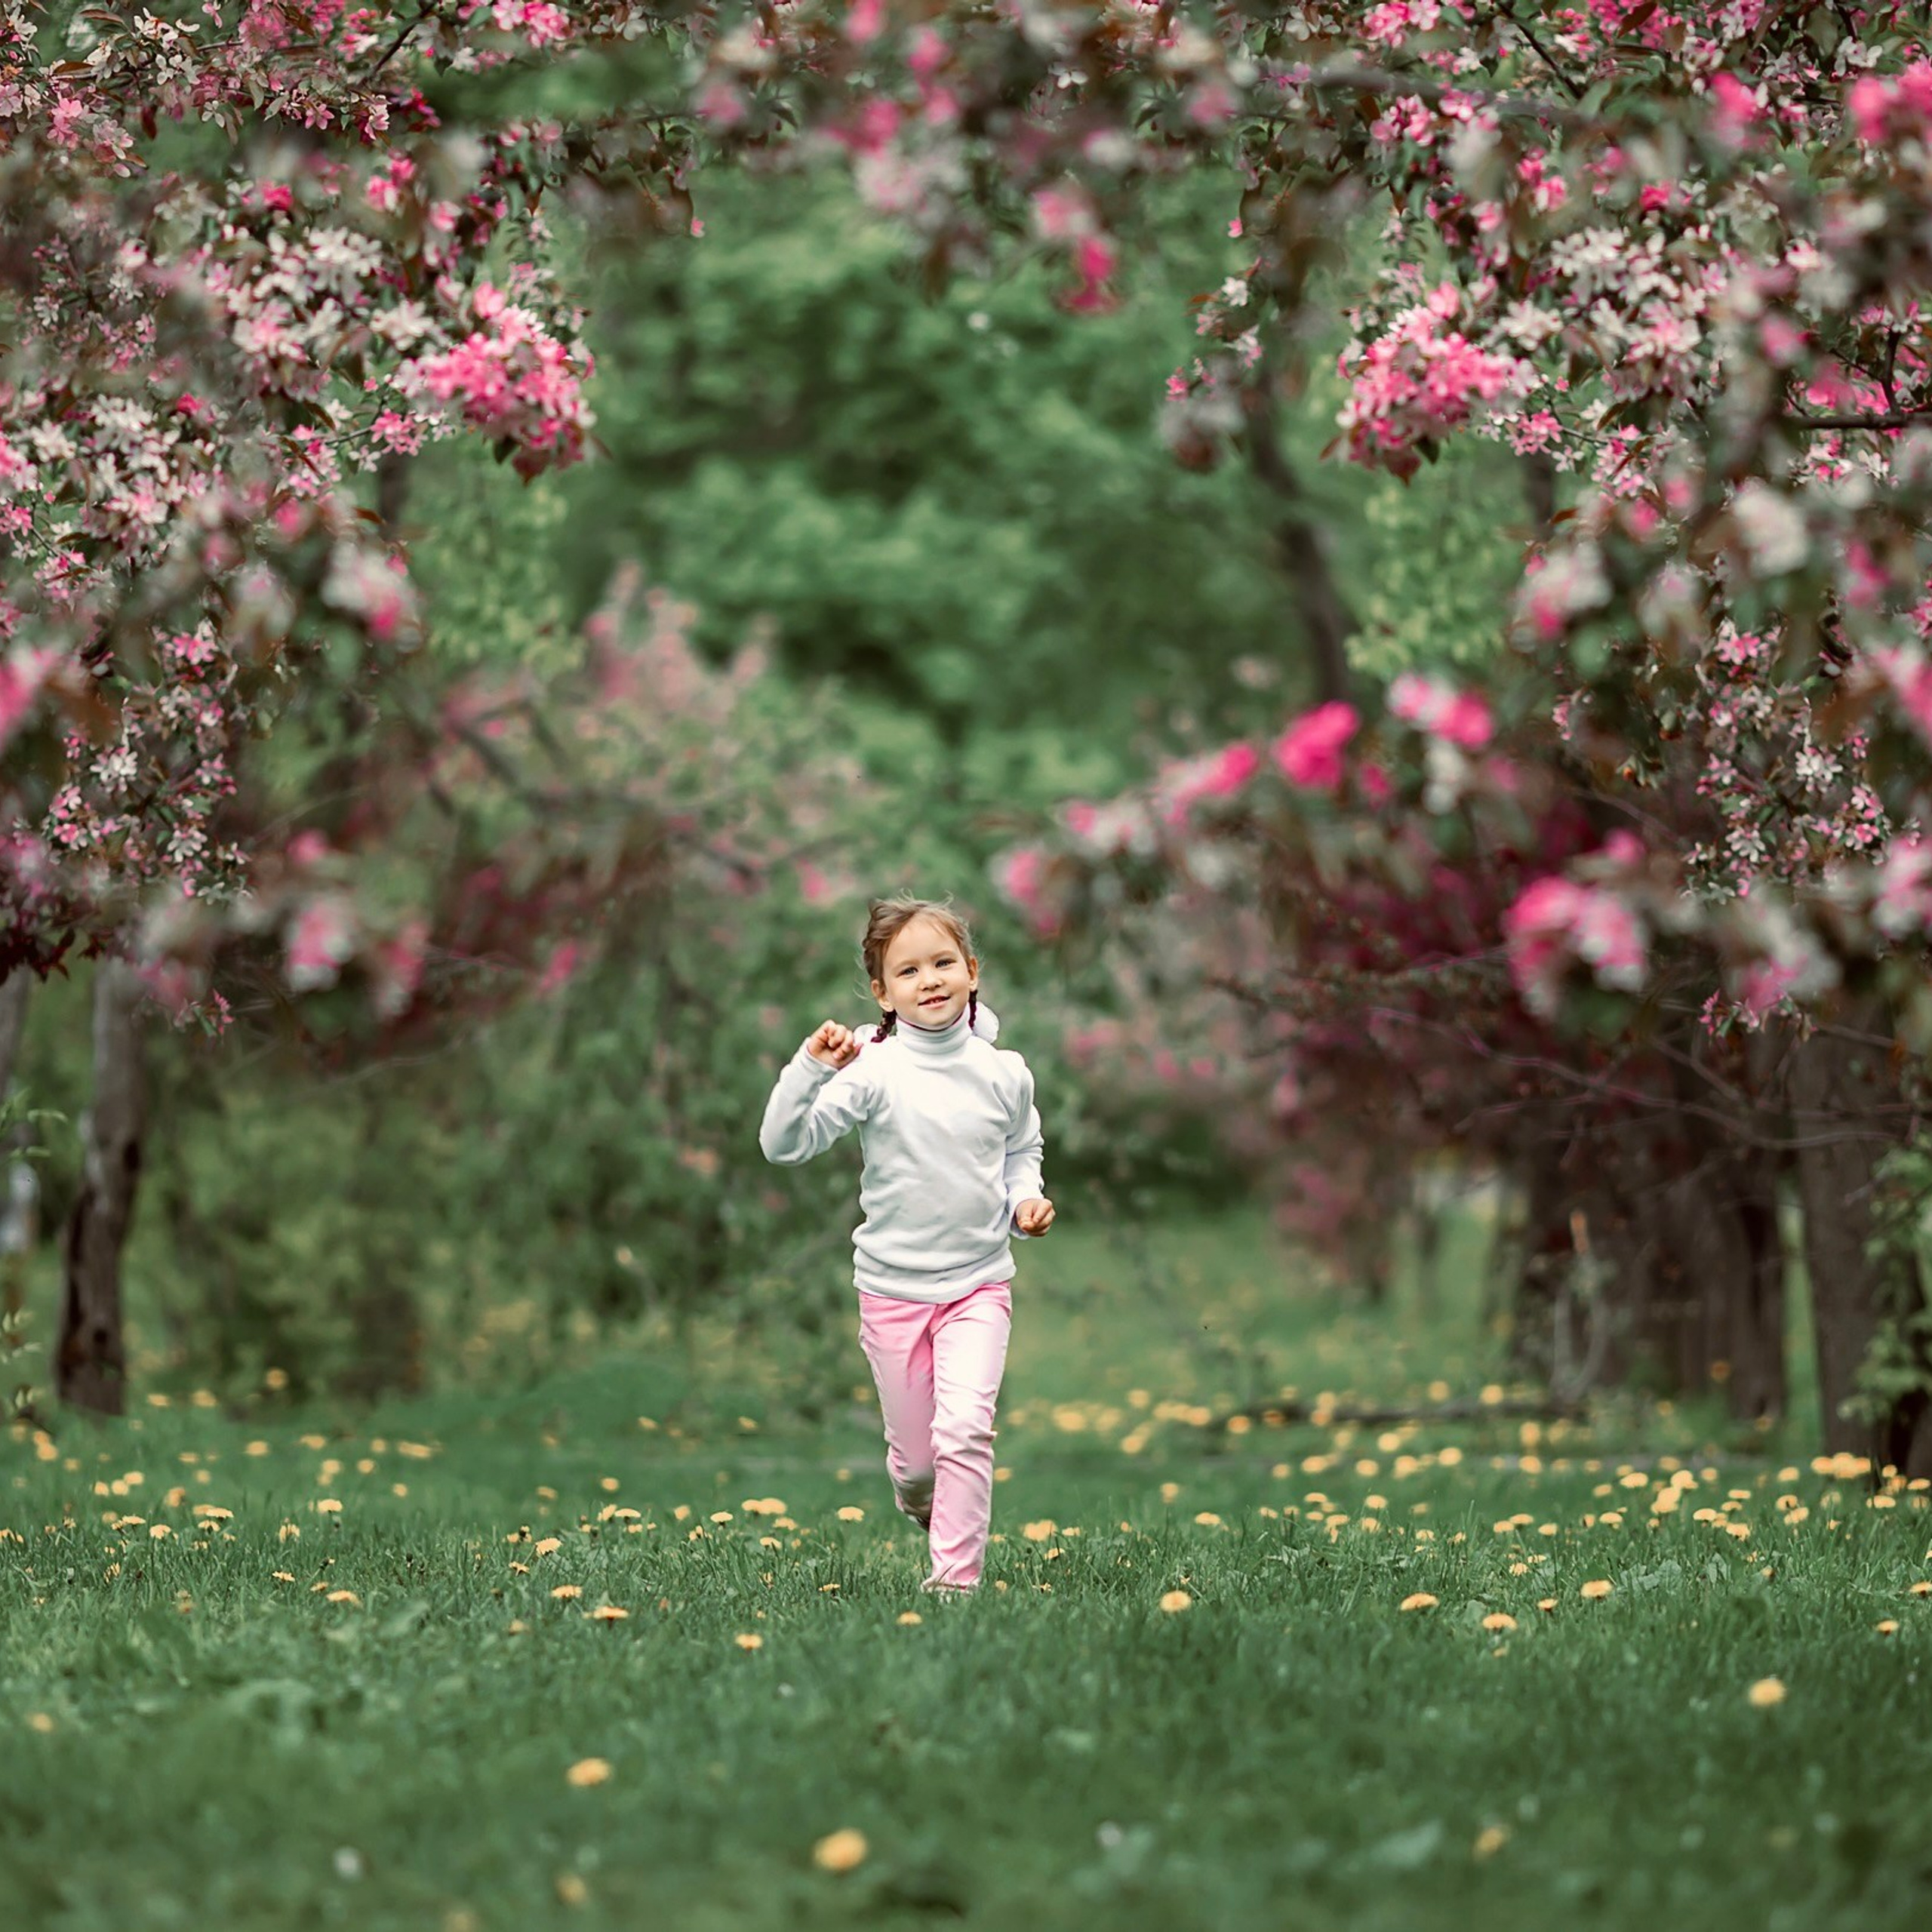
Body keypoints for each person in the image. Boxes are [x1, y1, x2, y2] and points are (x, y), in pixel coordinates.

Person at [758, 893, 1054, 1595]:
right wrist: (809, 1068)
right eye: (909, 970)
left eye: (944, 962)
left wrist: (1025, 1200)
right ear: (882, 991)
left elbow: (1022, 1149)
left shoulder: (1005, 1073)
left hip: (979, 1284)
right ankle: (925, 1499)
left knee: (966, 1432)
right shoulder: (872, 1071)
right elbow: (782, 1144)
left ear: (973, 972)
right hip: (892, 1291)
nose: (930, 980)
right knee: (920, 1466)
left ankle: (955, 1583)